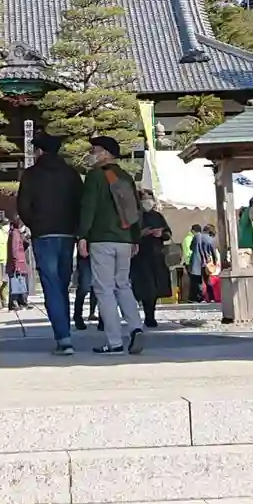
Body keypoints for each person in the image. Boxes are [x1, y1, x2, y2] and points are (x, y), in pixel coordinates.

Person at [16, 131, 83, 354]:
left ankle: (63, 338)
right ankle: (65, 333)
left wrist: (35, 224)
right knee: (62, 284)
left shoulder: (31, 175)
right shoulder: (71, 174)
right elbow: (80, 202)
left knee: (51, 285)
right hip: (67, 235)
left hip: (43, 235)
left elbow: (23, 205)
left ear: (39, 151)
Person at [77, 135, 144, 355]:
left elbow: (88, 207)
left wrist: (82, 235)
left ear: (105, 153)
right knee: (123, 285)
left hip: (101, 239)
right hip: (125, 240)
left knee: (104, 289)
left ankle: (114, 341)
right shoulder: (126, 177)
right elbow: (135, 210)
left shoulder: (95, 176)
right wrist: (135, 237)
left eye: (94, 150)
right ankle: (136, 328)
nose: (91, 154)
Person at [131, 191, 173, 328]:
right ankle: (139, 316)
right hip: (140, 257)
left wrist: (161, 234)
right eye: (145, 199)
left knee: (155, 288)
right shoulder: (135, 216)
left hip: (156, 256)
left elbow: (168, 233)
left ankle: (150, 316)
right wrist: (142, 234)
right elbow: (129, 234)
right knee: (143, 287)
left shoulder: (157, 216)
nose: (148, 202)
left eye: (149, 199)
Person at [5, 215, 31, 310]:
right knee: (16, 283)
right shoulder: (15, 234)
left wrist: (25, 237)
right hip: (17, 263)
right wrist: (16, 263)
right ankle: (15, 303)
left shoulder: (17, 233)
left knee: (20, 282)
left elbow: (24, 245)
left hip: (19, 262)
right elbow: (14, 249)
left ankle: (20, 302)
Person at [188, 222, 217, 301]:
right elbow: (213, 253)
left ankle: (200, 298)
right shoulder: (210, 239)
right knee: (207, 281)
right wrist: (214, 262)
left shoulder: (197, 236)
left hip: (196, 262)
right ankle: (211, 298)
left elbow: (191, 247)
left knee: (198, 282)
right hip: (206, 263)